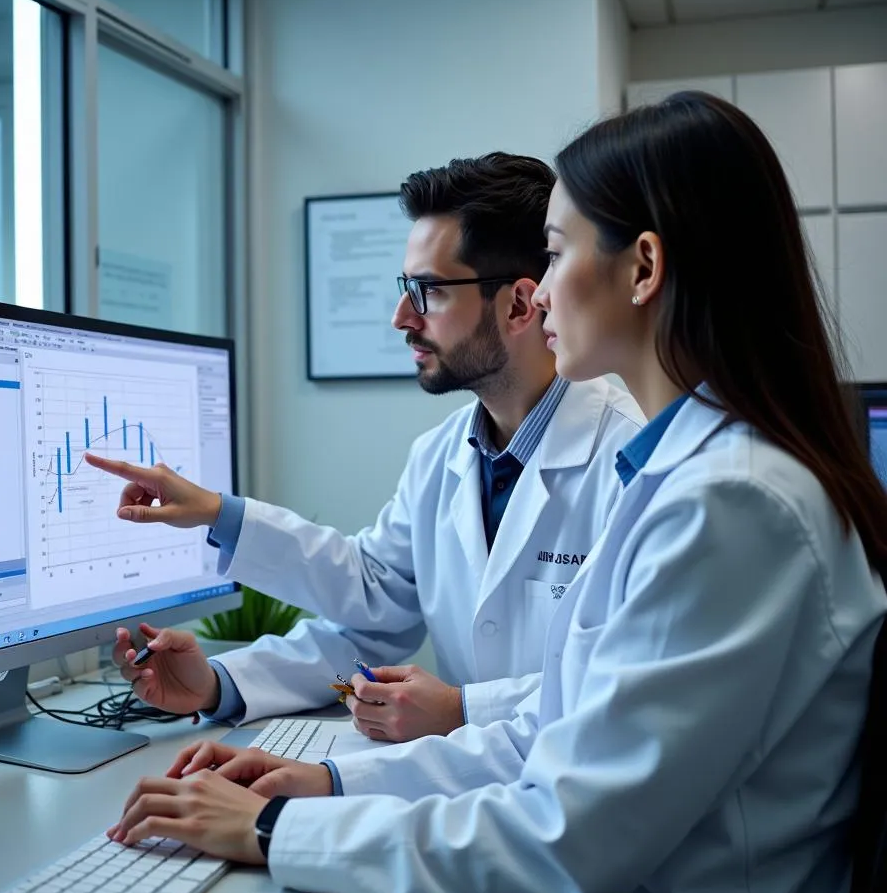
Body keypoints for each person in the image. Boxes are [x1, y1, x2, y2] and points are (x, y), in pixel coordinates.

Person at [107, 92, 887, 893]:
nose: (543, 290)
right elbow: (549, 725)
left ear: (643, 269)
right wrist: (325, 780)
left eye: (555, 256)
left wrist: (277, 829)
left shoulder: (727, 502)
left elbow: (565, 839)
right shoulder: (681, 476)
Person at [88, 153, 642, 742]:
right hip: (474, 788)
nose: (401, 316)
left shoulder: (632, 457)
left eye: (426, 291)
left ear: (517, 305)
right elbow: (373, 612)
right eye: (407, 288)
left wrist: (463, 709)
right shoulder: (441, 456)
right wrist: (216, 682)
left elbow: (625, 681)